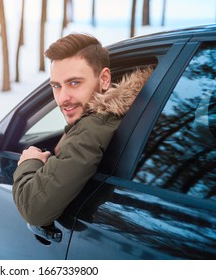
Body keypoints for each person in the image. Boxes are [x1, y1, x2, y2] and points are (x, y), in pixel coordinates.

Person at [12, 33, 152, 226]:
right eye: (56, 86)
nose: (62, 98)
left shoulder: (92, 129)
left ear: (104, 79)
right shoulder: (128, 115)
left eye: (74, 83)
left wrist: (30, 162)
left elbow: (34, 209)